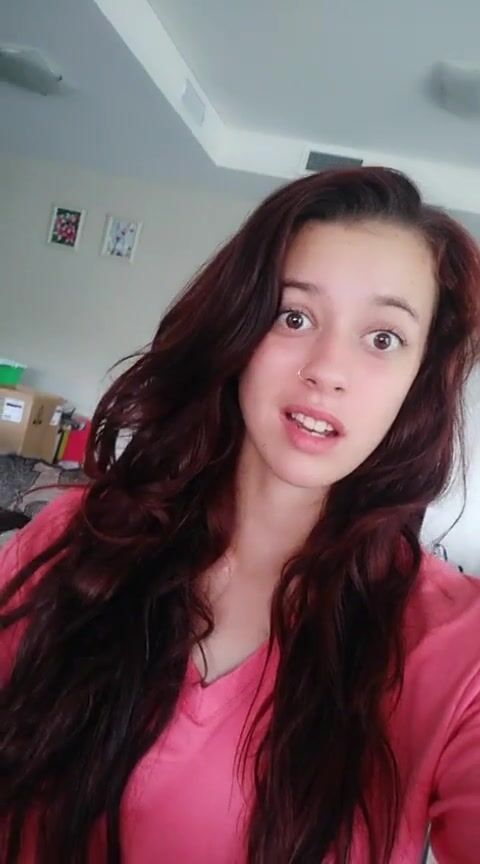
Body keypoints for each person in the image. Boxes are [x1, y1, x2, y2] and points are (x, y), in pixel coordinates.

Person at [1, 167, 480, 864]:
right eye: (294, 316)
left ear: (419, 380)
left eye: (383, 338)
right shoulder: (80, 537)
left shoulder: (456, 650)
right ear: (238, 331)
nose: (327, 370)